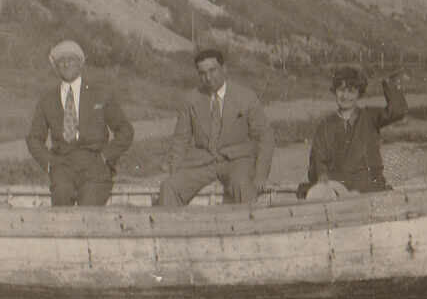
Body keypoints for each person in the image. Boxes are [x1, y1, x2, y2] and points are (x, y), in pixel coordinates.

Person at [159, 48, 275, 207]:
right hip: (203, 162)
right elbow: (180, 139)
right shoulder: (191, 100)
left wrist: (261, 175)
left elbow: (265, 136)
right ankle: (172, 229)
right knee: (169, 187)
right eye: (202, 73)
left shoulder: (246, 97)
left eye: (212, 71)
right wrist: (174, 171)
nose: (208, 77)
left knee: (242, 186)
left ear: (224, 68)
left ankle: (247, 229)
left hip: (237, 161)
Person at [26, 40, 134, 207]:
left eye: (71, 59)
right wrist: (49, 163)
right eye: (61, 61)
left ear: (81, 63)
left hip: (95, 165)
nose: (66, 64)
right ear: (55, 67)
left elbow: (125, 130)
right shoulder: (47, 100)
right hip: (62, 166)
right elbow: (34, 138)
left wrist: (105, 157)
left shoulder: (101, 94)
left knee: (89, 205)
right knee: (61, 199)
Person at [303, 67, 407, 199]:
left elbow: (398, 111)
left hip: (369, 186)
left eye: (351, 91)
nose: (345, 96)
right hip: (339, 187)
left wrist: (390, 84)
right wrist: (322, 177)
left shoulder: (370, 117)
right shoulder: (325, 125)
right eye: (341, 90)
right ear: (335, 92)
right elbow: (317, 158)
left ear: (359, 93)